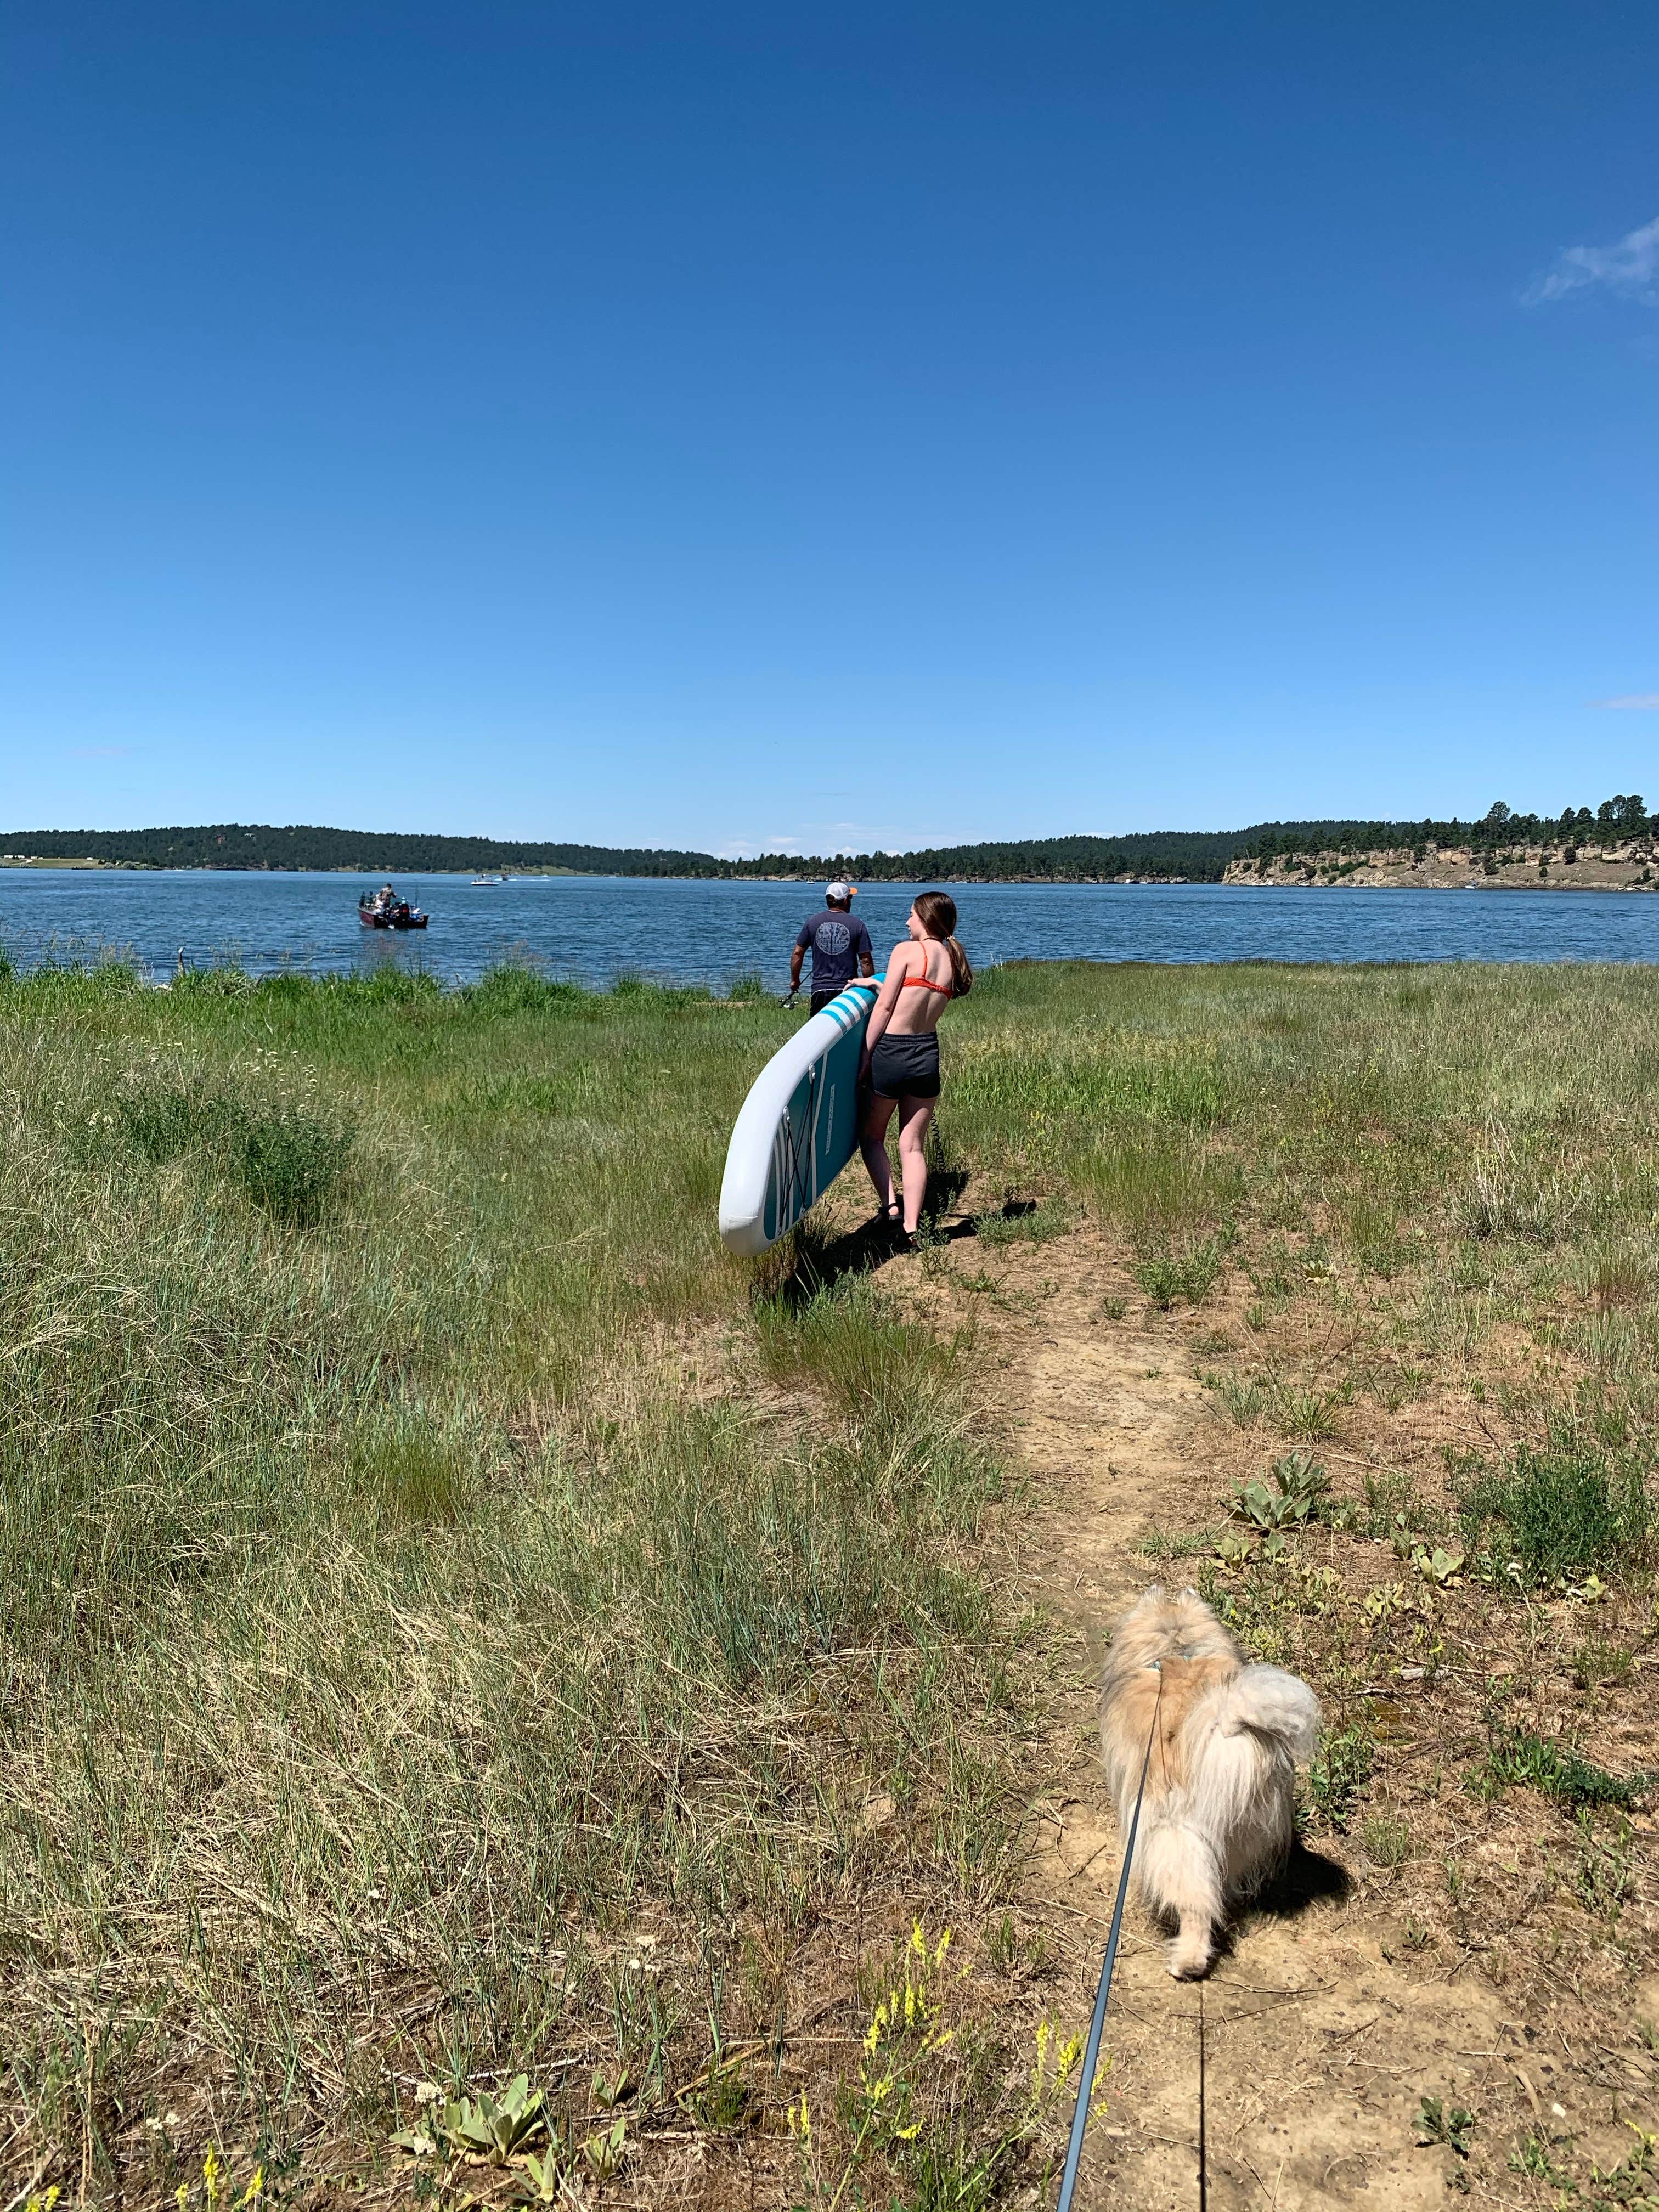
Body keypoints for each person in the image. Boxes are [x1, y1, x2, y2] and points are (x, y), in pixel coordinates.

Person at [858, 890, 972, 1242]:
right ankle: (911, 1227)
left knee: (872, 1137)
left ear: (925, 919)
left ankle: (890, 1206)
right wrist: (875, 982)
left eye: (911, 915)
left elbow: (887, 1008)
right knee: (913, 1145)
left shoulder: (906, 951)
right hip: (926, 1054)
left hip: (892, 1051)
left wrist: (865, 1056)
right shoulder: (952, 962)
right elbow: (915, 995)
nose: (907, 921)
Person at [790, 880, 874, 1013]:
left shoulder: (812, 922)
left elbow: (798, 953)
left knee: (819, 1030)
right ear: (846, 900)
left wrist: (795, 981)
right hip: (847, 990)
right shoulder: (858, 925)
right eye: (850, 898)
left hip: (819, 989)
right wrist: (870, 986)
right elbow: (866, 961)